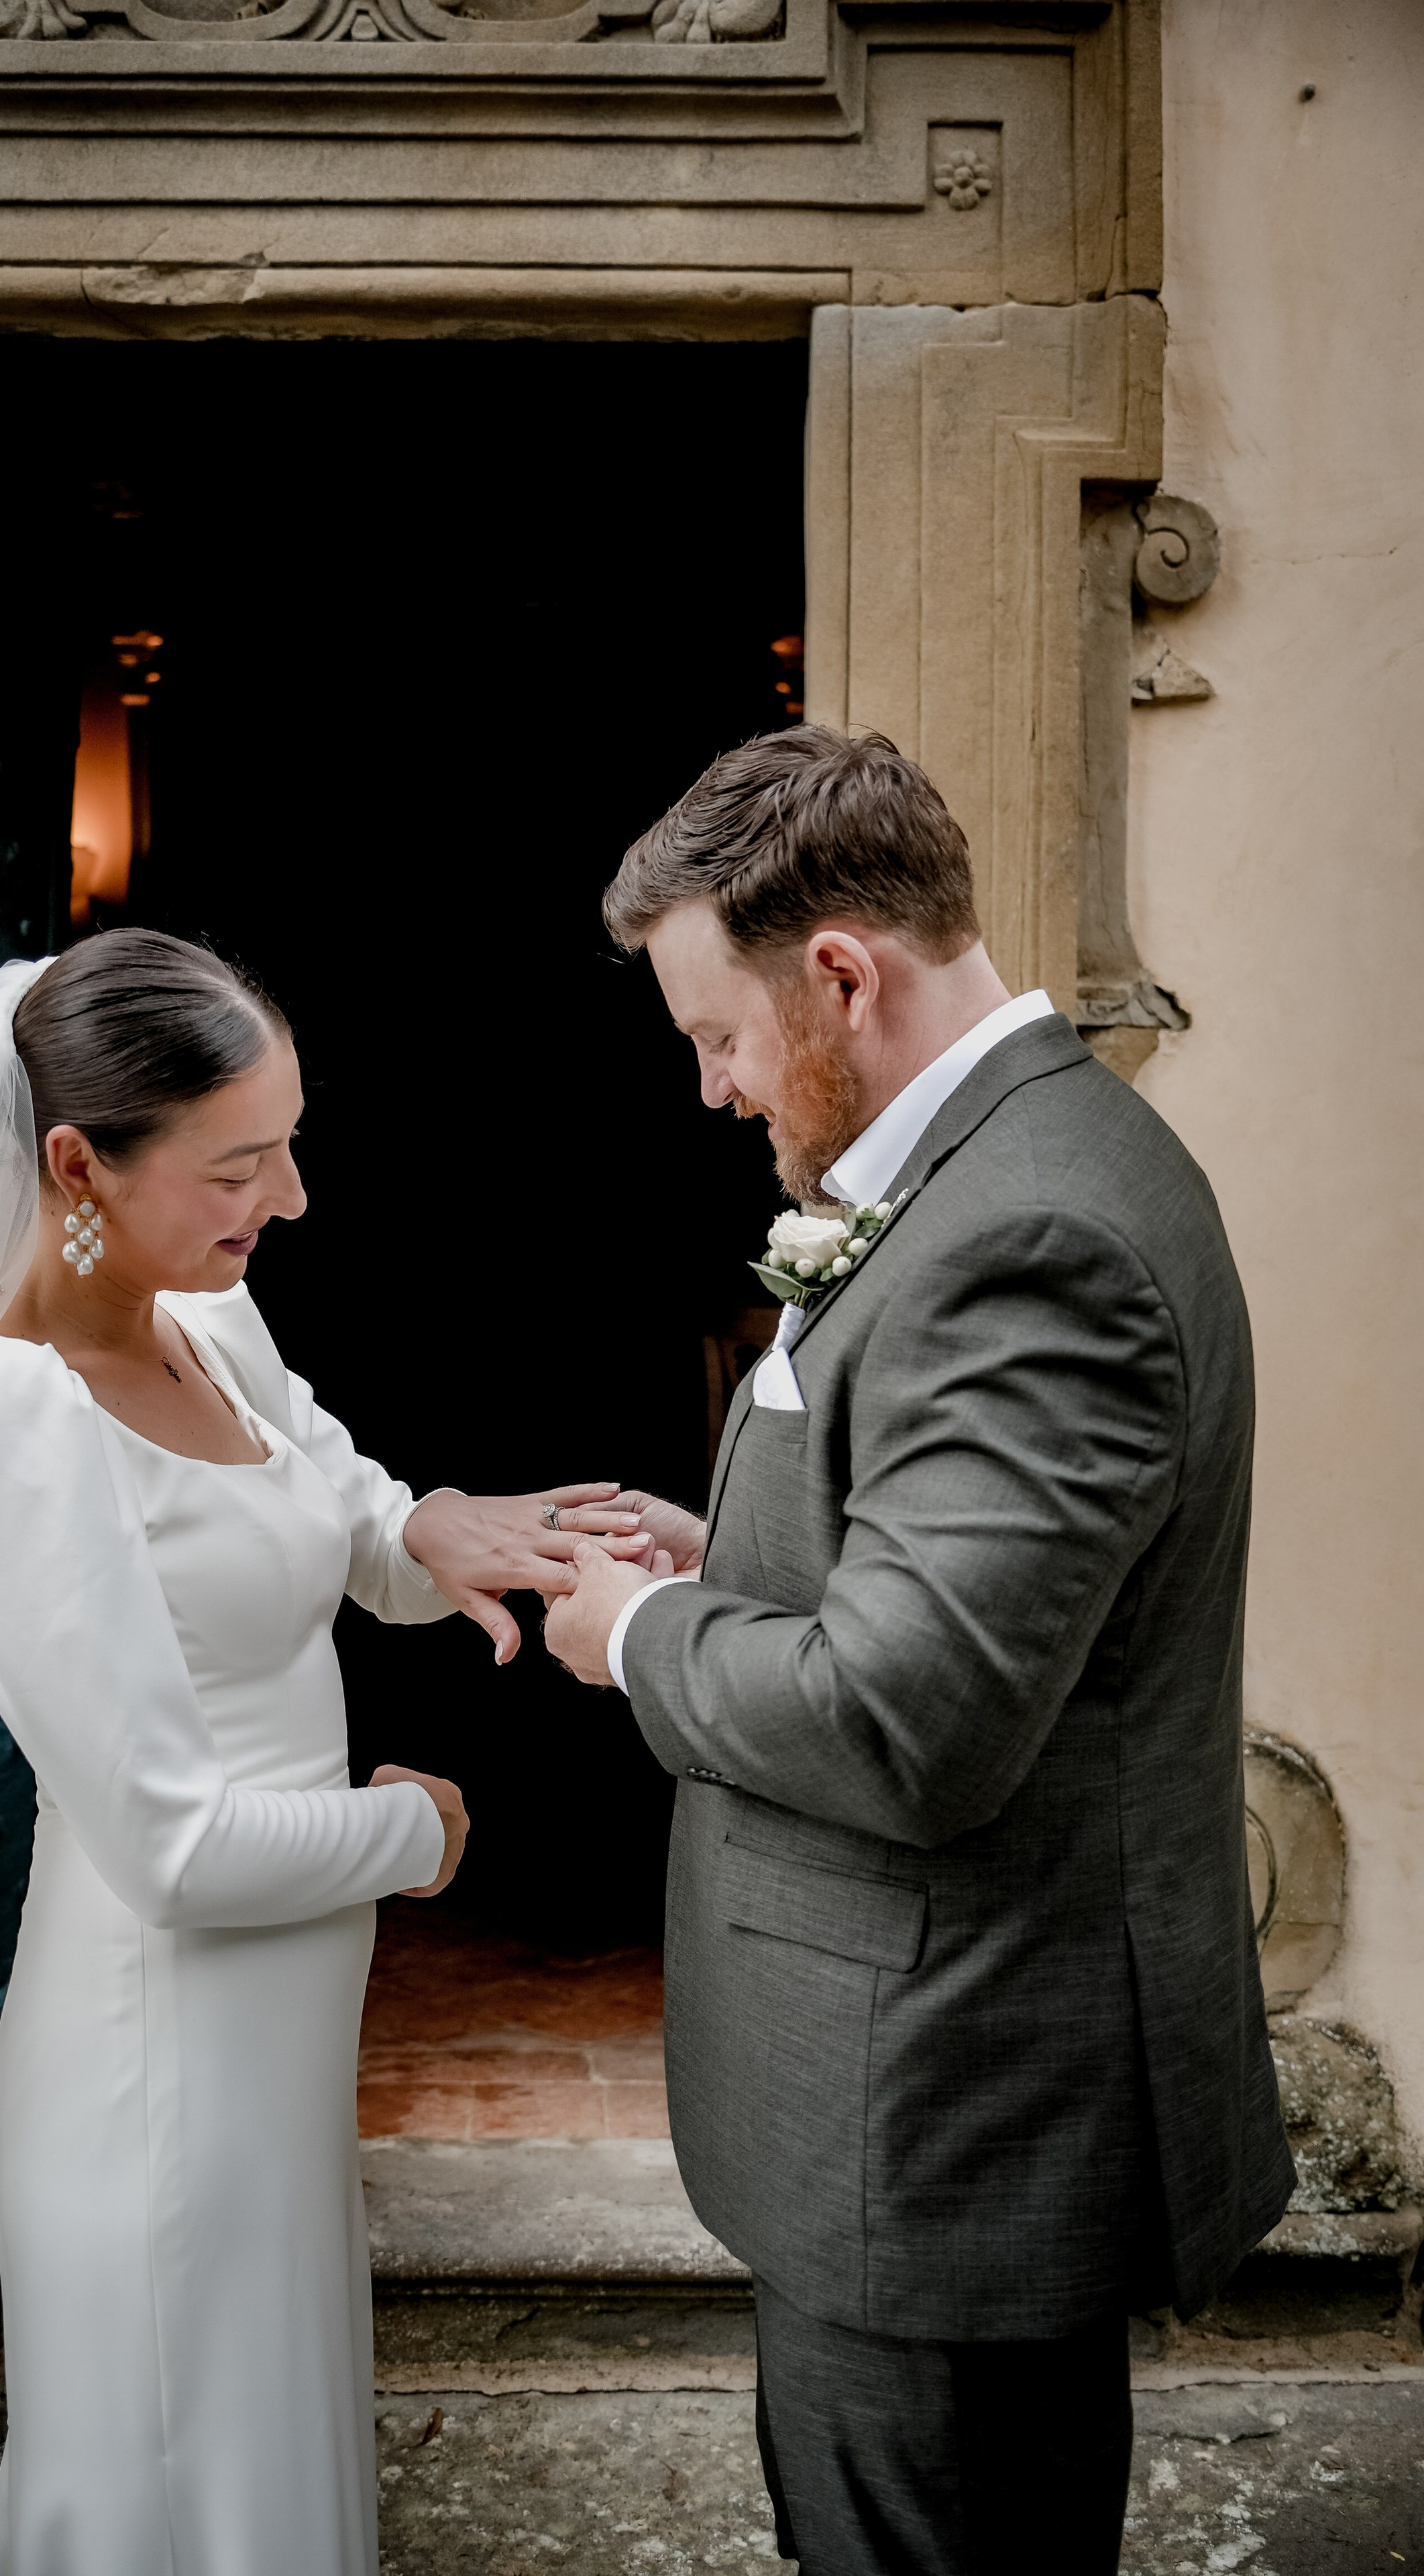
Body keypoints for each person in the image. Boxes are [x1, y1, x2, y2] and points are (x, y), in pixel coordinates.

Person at [0, 930, 654, 2576]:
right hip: (145, 2082)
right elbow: (172, 1847)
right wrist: (413, 1835)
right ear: (78, 1163)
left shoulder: (205, 1321)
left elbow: (321, 1504)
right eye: (241, 1163)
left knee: (266, 2491)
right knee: (168, 2505)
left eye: (286, 1145)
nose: (285, 1200)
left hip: (271, 2070)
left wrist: (436, 1530)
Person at [546, 727, 1293, 2576]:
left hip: (949, 2116)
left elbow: (908, 1722)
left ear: (842, 977)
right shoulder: (1010, 1159)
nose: (718, 1091)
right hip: (935, 2098)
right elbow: (978, 1599)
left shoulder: (1027, 1228)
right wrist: (738, 1558)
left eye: (717, 1038)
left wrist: (635, 1628)